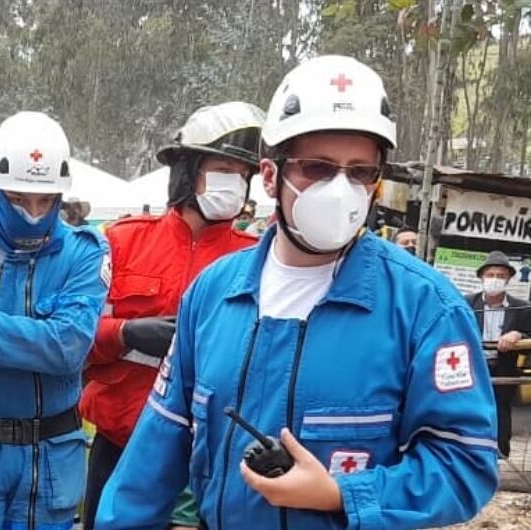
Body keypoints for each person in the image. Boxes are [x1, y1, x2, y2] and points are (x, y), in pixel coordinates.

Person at [96, 55, 498, 530]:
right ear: (270, 176)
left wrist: (341, 494)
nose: (341, 189)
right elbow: (155, 453)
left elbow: (464, 464)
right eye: (317, 167)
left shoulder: (424, 308)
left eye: (360, 172)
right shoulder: (214, 294)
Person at [79, 101, 263, 530]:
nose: (234, 185)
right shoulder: (122, 243)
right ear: (186, 170)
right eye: (223, 170)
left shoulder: (255, 259)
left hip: (207, 462)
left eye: (243, 176)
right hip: (119, 446)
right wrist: (125, 333)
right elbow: (72, 339)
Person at [0, 111, 110, 530]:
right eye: (18, 199)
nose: (33, 212)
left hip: (47, 459)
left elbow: (68, 345)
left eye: (45, 201)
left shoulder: (85, 253)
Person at [465, 250, 531, 459]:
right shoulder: (466, 304)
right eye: (490, 275)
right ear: (481, 277)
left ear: (509, 279)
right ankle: (468, 454)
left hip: (503, 369)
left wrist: (518, 333)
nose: (495, 280)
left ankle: (501, 456)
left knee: (500, 412)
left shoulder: (522, 308)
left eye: (501, 276)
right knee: (469, 411)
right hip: (472, 368)